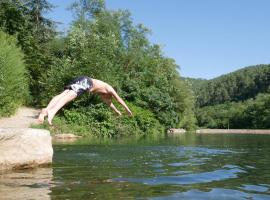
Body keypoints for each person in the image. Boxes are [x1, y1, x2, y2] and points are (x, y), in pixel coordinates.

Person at [38, 76, 132, 125]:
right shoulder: (109, 89)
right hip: (87, 81)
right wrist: (127, 110)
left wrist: (117, 111)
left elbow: (109, 103)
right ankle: (52, 112)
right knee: (73, 94)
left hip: (82, 79)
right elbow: (119, 99)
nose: (109, 98)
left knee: (65, 93)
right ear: (112, 93)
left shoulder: (104, 93)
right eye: (110, 96)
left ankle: (46, 109)